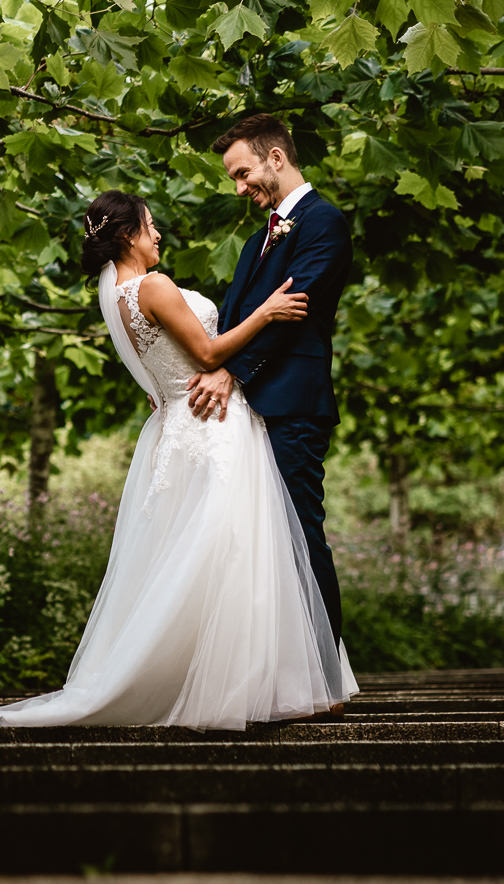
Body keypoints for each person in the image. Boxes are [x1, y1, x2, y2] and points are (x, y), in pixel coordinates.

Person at [0, 189, 356, 729]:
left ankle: (231, 679)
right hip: (214, 425)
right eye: (151, 225)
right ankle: (250, 685)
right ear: (130, 234)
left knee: (199, 557)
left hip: (176, 423)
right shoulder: (153, 285)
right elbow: (207, 354)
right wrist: (268, 311)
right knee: (238, 556)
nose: (158, 235)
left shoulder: (114, 296)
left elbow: (159, 371)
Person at [190, 113, 353, 645]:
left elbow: (296, 309)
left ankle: (328, 677)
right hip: (252, 409)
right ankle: (282, 670)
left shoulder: (323, 222)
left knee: (300, 533)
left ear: (275, 158)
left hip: (292, 406)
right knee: (260, 542)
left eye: (242, 173)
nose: (239, 188)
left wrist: (230, 373)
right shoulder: (255, 241)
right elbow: (239, 316)